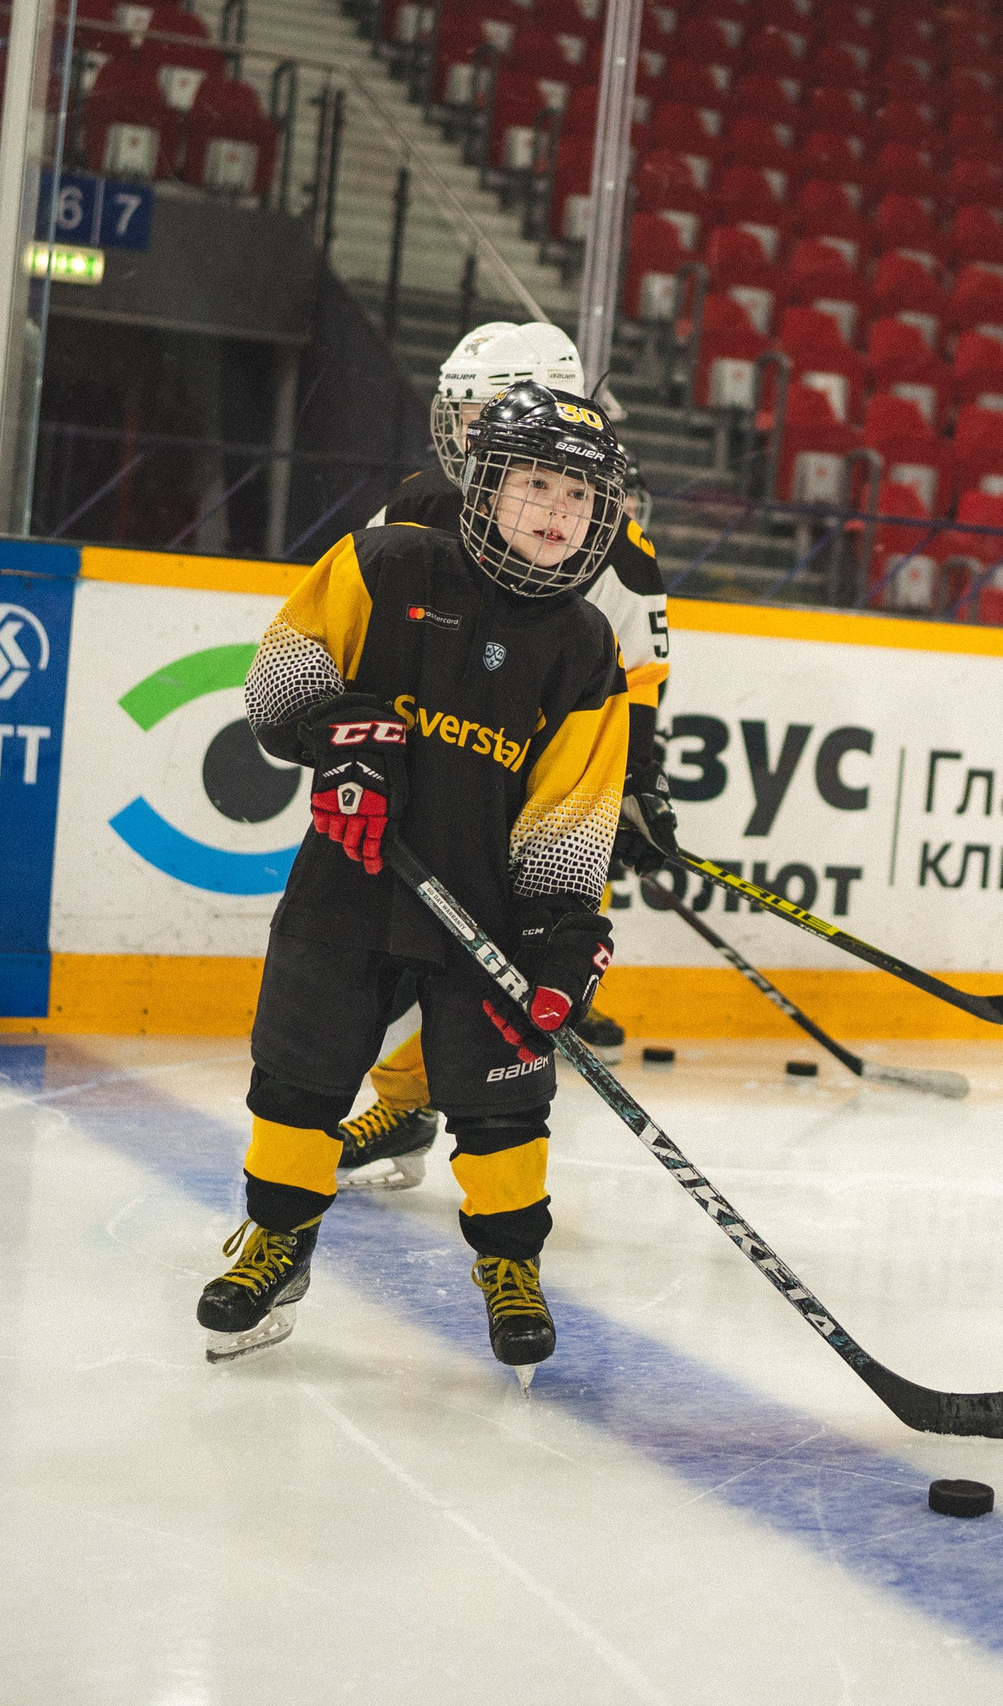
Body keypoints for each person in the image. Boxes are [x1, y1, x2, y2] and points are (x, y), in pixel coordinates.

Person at [195, 383, 636, 1373]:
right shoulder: (383, 562)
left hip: (483, 912)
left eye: (579, 496)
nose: (559, 513)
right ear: (485, 486)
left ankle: (512, 1262)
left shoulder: (583, 646)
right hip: (345, 886)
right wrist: (335, 740)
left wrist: (563, 933)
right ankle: (276, 1238)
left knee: (502, 1100)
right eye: (536, 484)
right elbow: (279, 680)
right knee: (299, 1079)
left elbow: (571, 812)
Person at [333, 323, 679, 1192]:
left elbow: (633, 684)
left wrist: (634, 787)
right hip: (425, 764)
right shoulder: (414, 506)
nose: (465, 428)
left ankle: (465, 1141)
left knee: (507, 960)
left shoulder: (610, 543)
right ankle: (388, 1106)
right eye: (466, 410)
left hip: (535, 790)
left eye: (486, 409)